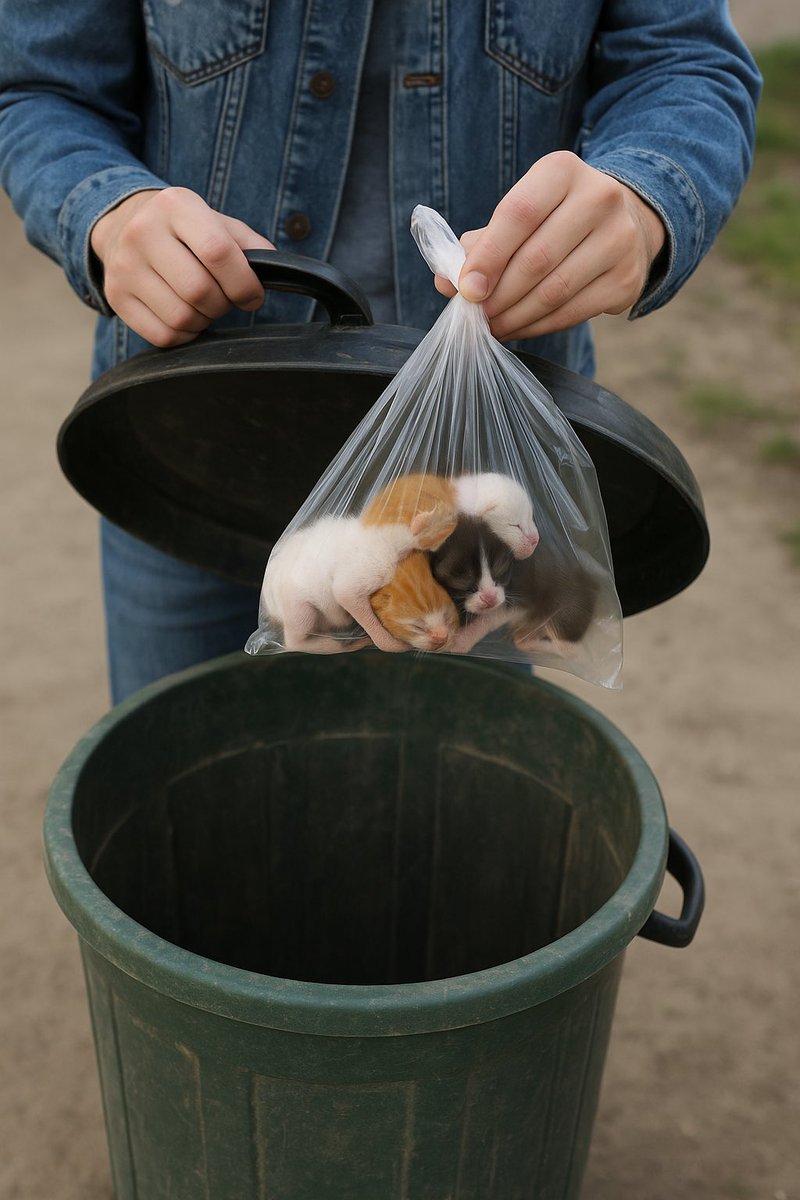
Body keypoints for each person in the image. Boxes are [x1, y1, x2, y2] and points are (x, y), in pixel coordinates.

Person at [0, 1, 760, 702]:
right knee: (183, 795)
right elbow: (39, 87)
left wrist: (646, 196)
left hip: (480, 467)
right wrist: (104, 208)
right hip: (196, 445)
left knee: (450, 807)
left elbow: (684, 62)